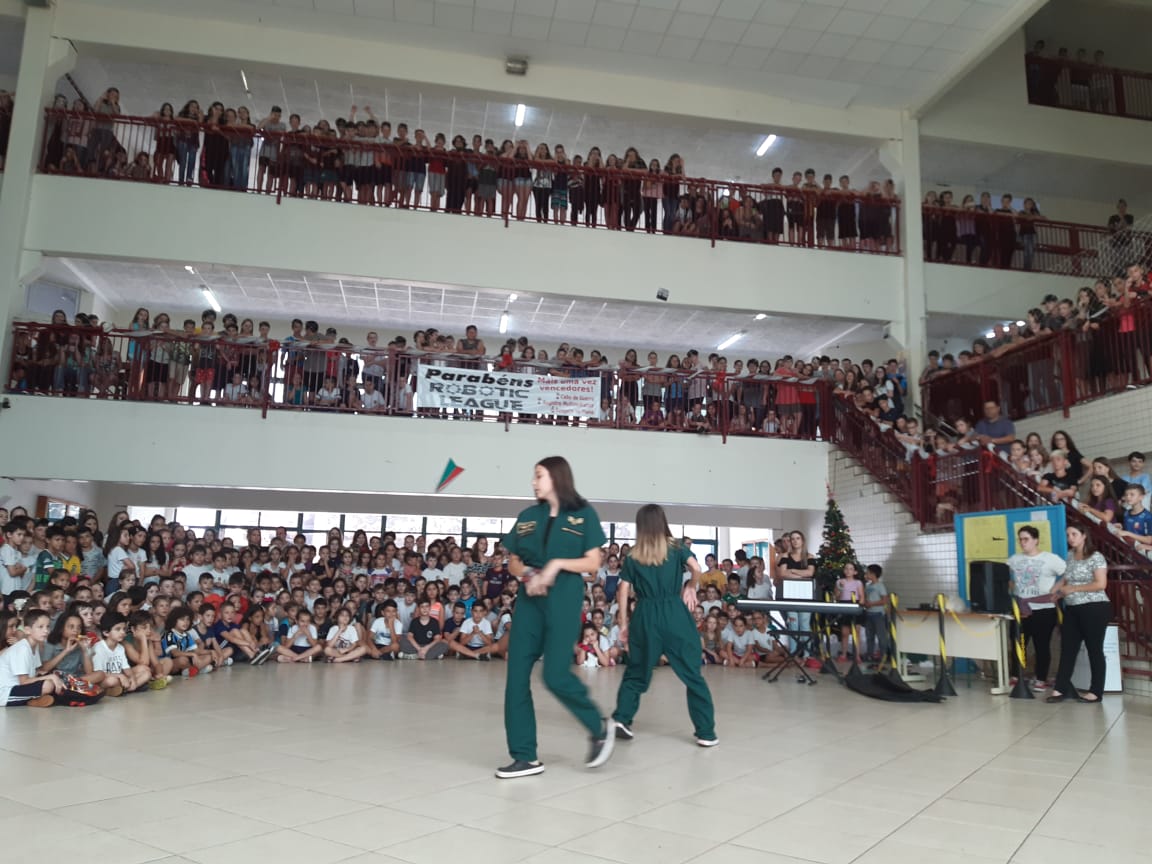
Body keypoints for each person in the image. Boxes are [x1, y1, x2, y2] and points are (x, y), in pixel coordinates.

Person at [496, 456, 613, 779]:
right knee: (516, 676)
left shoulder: (583, 514)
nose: (533, 482)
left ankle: (598, 726)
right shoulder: (527, 516)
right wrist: (530, 575)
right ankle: (525, 756)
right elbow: (513, 562)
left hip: (564, 596)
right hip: (529, 599)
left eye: (539, 476)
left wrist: (557, 565)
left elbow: (592, 562)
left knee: (555, 674)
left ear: (557, 477)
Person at [610, 504, 717, 746]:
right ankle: (706, 733)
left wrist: (624, 622)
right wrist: (690, 586)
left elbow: (623, 589)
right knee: (692, 673)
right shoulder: (677, 547)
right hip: (673, 612)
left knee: (636, 671)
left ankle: (622, 718)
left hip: (645, 613)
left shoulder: (634, 554)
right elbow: (697, 568)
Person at [1048, 524, 1109, 704]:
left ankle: (1096, 692)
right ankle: (1060, 689)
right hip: (1073, 609)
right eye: (1068, 535)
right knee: (1068, 649)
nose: (1070, 538)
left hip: (1095, 608)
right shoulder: (1070, 556)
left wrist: (1073, 588)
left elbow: (1100, 584)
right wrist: (1055, 590)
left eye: (1074, 534)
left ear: (1084, 536)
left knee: (1094, 649)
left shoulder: (1096, 557)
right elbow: (1066, 578)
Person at [1006, 526, 1066, 691]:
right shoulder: (1014, 559)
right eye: (1020, 539)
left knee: (1042, 645)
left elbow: (1069, 573)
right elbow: (1003, 576)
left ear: (1036, 540)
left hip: (1044, 609)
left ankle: (1041, 678)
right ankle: (1016, 675)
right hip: (1021, 610)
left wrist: (1057, 590)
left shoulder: (1050, 558)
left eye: (1026, 539)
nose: (1022, 543)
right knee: (1019, 643)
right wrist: (1013, 586)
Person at [0, 610, 62, 707]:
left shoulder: (33, 645)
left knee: (55, 679)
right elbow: (24, 681)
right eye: (40, 627)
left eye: (48, 626)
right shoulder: (22, 649)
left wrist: (53, 676)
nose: (46, 630)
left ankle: (33, 700)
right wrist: (49, 677)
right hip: (5, 692)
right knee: (47, 685)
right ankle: (32, 700)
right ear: (28, 630)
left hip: (18, 687)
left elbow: (35, 672)